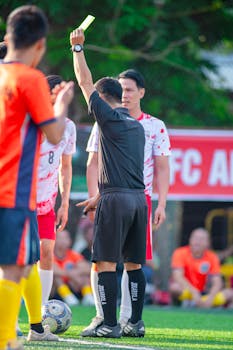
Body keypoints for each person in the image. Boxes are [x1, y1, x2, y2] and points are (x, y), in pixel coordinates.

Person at [0, 5, 74, 349]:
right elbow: (55, 134)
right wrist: (61, 104)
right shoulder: (29, 78)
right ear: (40, 44)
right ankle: (7, 340)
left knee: (22, 266)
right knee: (14, 269)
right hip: (13, 190)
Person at [70, 28, 147, 338]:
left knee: (104, 264)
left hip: (115, 200)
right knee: (134, 265)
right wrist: (100, 196)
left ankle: (110, 324)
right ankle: (135, 323)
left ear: (102, 100)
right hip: (138, 200)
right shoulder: (137, 127)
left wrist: (77, 49)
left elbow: (84, 82)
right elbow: (124, 170)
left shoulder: (109, 118)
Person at [82, 68, 171, 336]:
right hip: (129, 197)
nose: (127, 95)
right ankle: (123, 320)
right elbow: (93, 161)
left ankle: (113, 321)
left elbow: (163, 167)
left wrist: (162, 203)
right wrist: (94, 196)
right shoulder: (134, 127)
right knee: (129, 262)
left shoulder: (150, 125)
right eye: (123, 90)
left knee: (110, 260)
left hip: (121, 196)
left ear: (141, 92)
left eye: (130, 89)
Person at [37, 74, 77, 305]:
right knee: (17, 258)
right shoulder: (30, 121)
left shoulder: (68, 127)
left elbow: (66, 166)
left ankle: (40, 313)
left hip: (46, 203)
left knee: (46, 251)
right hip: (19, 199)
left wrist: (64, 203)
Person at [169, 227, 233, 308]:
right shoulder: (180, 253)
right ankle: (183, 305)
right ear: (190, 239)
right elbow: (178, 277)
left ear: (208, 243)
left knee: (230, 293)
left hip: (206, 295)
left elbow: (217, 282)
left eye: (202, 239)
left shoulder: (212, 257)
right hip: (188, 293)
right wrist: (193, 292)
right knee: (174, 288)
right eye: (195, 238)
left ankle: (218, 312)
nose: (197, 241)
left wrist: (211, 297)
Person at [52, 229, 94, 306]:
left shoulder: (73, 254)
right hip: (55, 290)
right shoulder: (50, 255)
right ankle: (67, 297)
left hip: (74, 285)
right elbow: (52, 269)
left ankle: (88, 296)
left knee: (84, 276)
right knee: (56, 277)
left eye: (65, 238)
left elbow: (87, 268)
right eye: (60, 238)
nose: (63, 241)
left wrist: (74, 274)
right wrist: (70, 274)